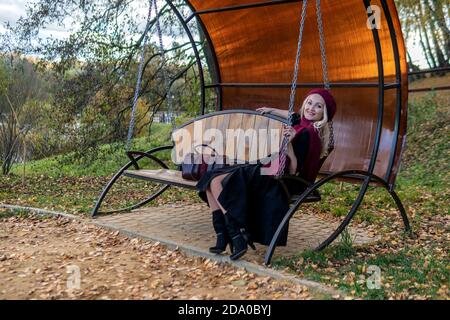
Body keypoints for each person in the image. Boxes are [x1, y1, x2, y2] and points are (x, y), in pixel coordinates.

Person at [196, 89, 337, 260]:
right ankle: (223, 235)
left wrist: (290, 145)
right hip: (270, 167)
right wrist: (271, 110)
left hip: (280, 177)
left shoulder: (310, 134)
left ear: (325, 113)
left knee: (218, 181)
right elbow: (293, 114)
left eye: (318, 106)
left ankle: (236, 235)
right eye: (309, 103)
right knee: (211, 178)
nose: (311, 108)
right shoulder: (301, 123)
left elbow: (294, 170)